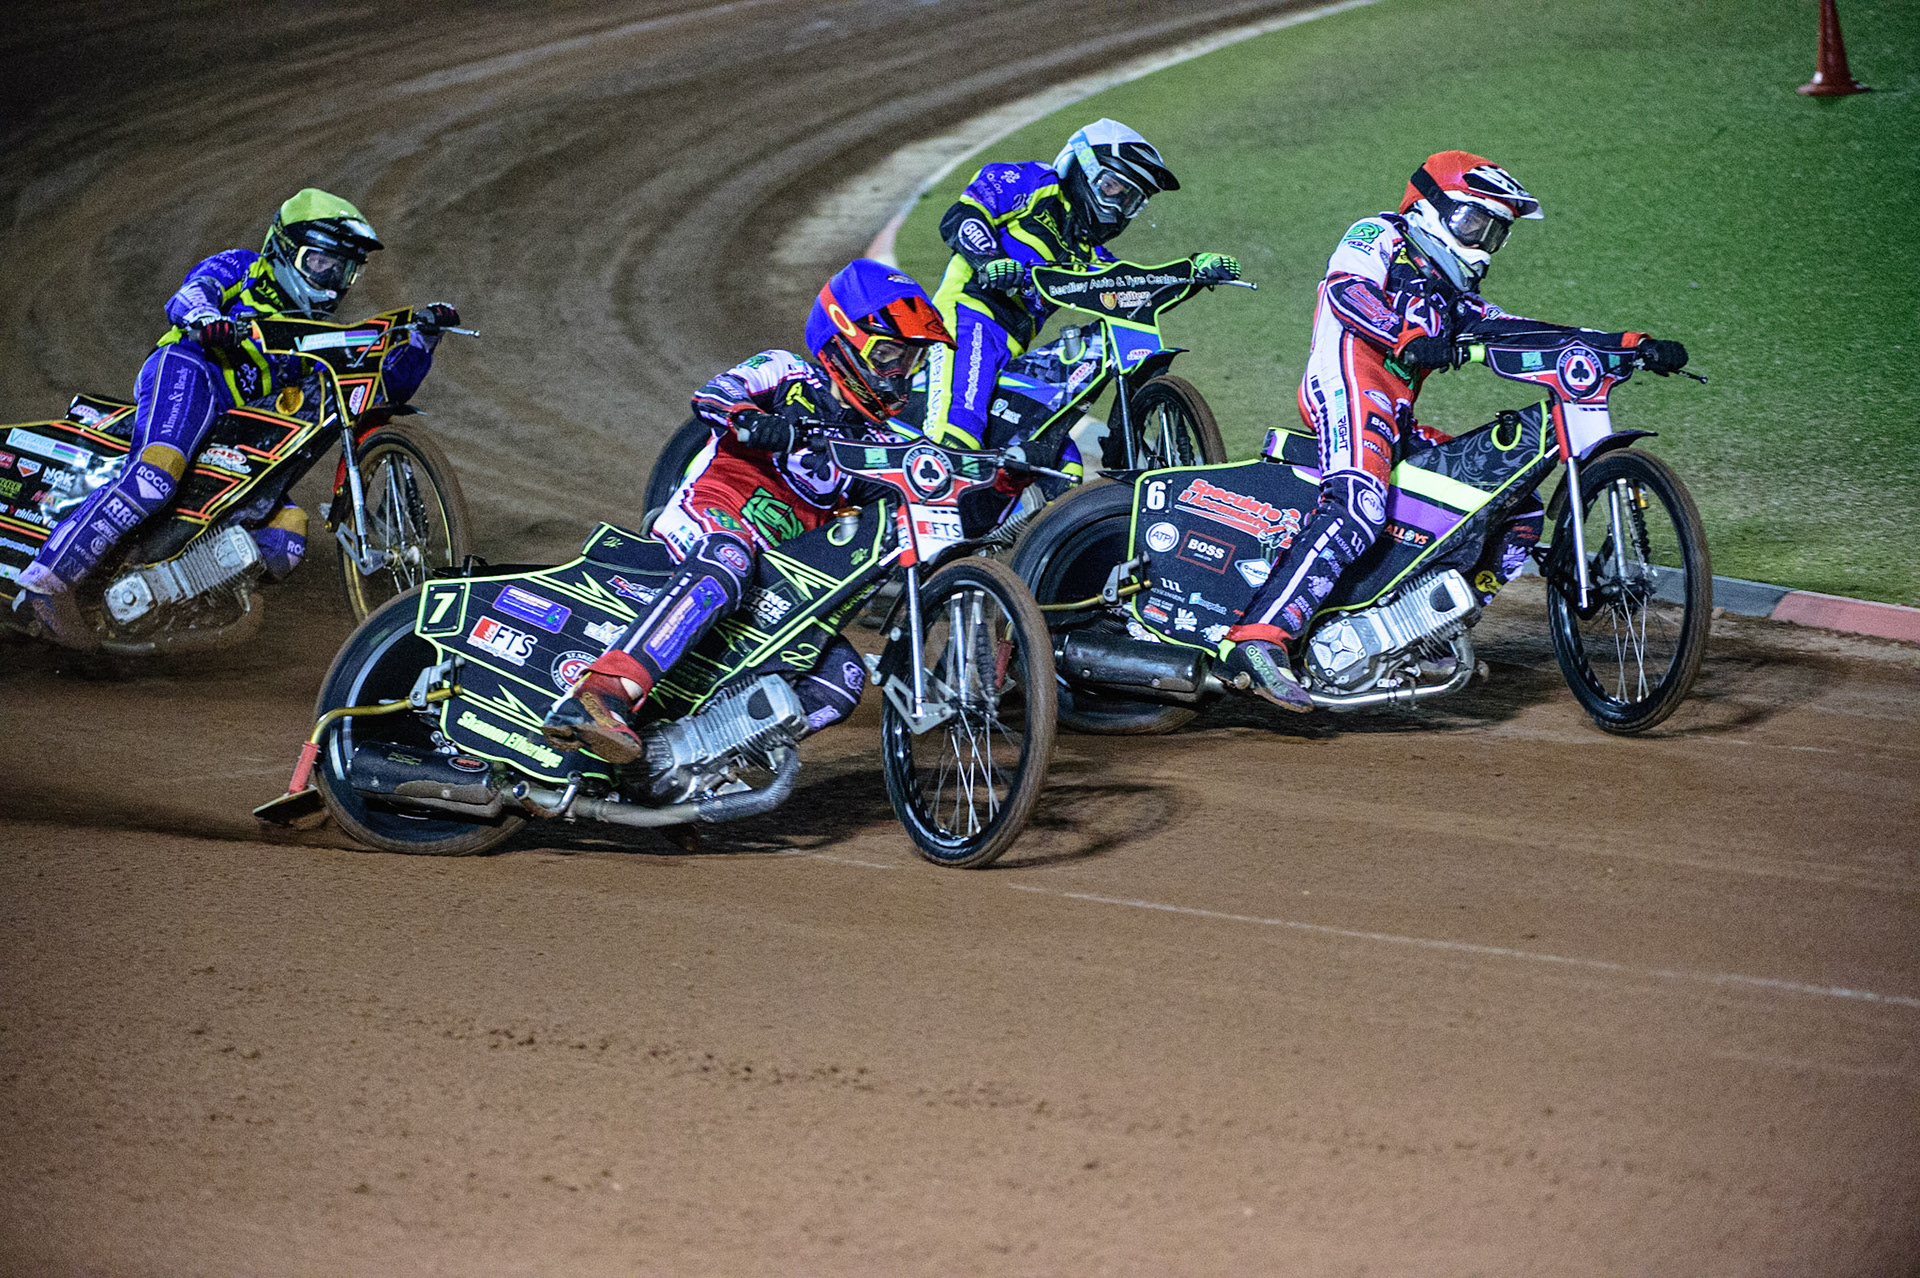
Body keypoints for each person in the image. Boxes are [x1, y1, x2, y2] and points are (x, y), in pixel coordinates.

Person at [1225, 150, 1689, 710]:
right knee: (1359, 505)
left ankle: (1418, 630)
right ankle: (1259, 638)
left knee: (1515, 511)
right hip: (1348, 385)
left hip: (1394, 412)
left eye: (1495, 233)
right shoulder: (1379, 233)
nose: (1482, 244)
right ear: (1430, 208)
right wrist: (1405, 337)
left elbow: (1518, 330)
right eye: (1475, 223)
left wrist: (1620, 344)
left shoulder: (1454, 298)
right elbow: (1346, 293)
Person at [541, 259, 955, 764]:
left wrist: (1009, 476)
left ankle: (687, 765)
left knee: (842, 676)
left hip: (772, 583)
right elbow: (714, 396)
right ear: (843, 338)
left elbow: (933, 497)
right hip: (705, 528)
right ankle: (602, 692)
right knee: (731, 558)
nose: (897, 374)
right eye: (887, 353)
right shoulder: (786, 371)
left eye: (909, 361)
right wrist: (759, 423)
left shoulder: (882, 444)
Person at [17, 187, 459, 648]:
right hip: (191, 368)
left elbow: (380, 391)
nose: (331, 282)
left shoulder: (313, 339)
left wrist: (421, 342)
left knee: (287, 539)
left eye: (344, 270)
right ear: (286, 250)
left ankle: (157, 598)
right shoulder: (243, 267)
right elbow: (191, 293)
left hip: (235, 431)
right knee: (156, 474)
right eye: (321, 263)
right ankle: (46, 583)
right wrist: (208, 317)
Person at [919, 118, 1240, 464]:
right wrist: (989, 261)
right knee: (959, 434)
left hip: (1015, 353)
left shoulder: (1090, 255)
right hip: (966, 320)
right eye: (1114, 188)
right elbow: (963, 216)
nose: (1119, 209)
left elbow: (1133, 291)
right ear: (1081, 166)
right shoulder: (1032, 182)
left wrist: (1194, 271)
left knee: (1057, 461)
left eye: (1132, 201)